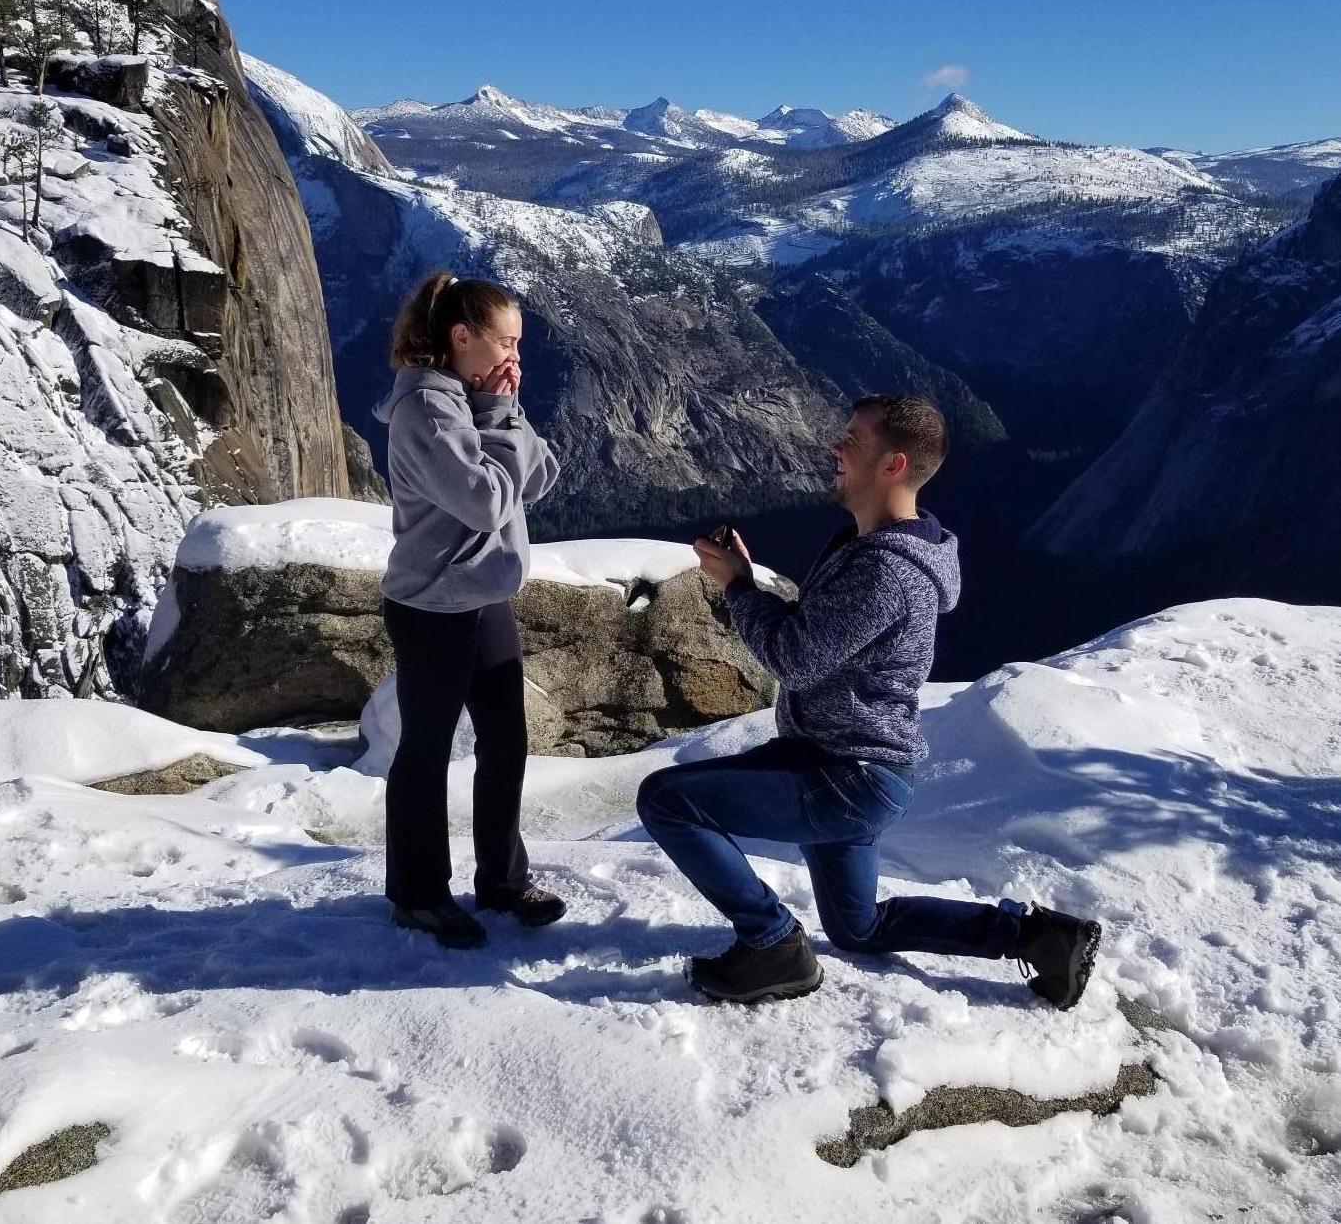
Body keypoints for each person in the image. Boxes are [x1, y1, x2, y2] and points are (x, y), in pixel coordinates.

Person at [636, 394, 1101, 1007]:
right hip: (854, 766)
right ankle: (1040, 938)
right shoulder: (875, 548)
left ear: (893, 464)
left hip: (843, 777)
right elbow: (815, 641)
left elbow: (795, 659)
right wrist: (747, 581)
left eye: (853, 438)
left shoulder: (886, 571)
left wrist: (739, 588)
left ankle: (771, 944)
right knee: (859, 928)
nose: (836, 446)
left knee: (667, 802)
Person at [371, 271, 565, 949]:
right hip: (432, 606)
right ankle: (418, 895)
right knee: (426, 750)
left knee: (506, 740)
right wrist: (495, 418)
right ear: (462, 337)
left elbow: (540, 476)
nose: (517, 356)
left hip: (482, 597)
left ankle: (502, 880)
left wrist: (504, 413)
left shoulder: (474, 399)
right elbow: (486, 502)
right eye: (506, 340)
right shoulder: (428, 409)